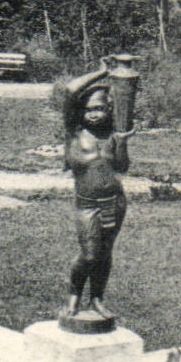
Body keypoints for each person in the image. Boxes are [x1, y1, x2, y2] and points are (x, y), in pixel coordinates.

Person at [60, 58, 134, 323]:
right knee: (89, 254)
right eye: (89, 109)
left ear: (108, 110)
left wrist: (123, 142)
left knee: (105, 254)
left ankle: (98, 299)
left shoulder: (113, 135)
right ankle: (74, 296)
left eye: (100, 109)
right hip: (87, 204)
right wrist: (101, 72)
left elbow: (122, 168)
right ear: (81, 112)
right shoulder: (74, 133)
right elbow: (70, 91)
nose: (94, 114)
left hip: (114, 202)